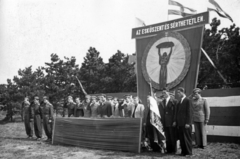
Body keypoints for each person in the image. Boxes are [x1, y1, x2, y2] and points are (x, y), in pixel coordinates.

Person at [159, 87, 178, 154]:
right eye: (163, 93)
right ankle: (169, 149)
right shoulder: (162, 102)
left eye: (165, 92)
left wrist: (174, 121)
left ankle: (174, 150)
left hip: (172, 122)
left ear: (168, 92)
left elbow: (176, 112)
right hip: (165, 122)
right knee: (167, 136)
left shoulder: (174, 101)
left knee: (172, 136)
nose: (164, 94)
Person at [175, 87, 193, 156]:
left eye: (179, 92)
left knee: (187, 138)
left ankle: (188, 152)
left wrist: (188, 122)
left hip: (186, 123)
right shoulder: (180, 101)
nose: (178, 94)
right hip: (180, 124)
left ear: (183, 92)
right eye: (177, 92)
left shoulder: (188, 100)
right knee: (182, 139)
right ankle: (183, 152)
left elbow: (189, 112)